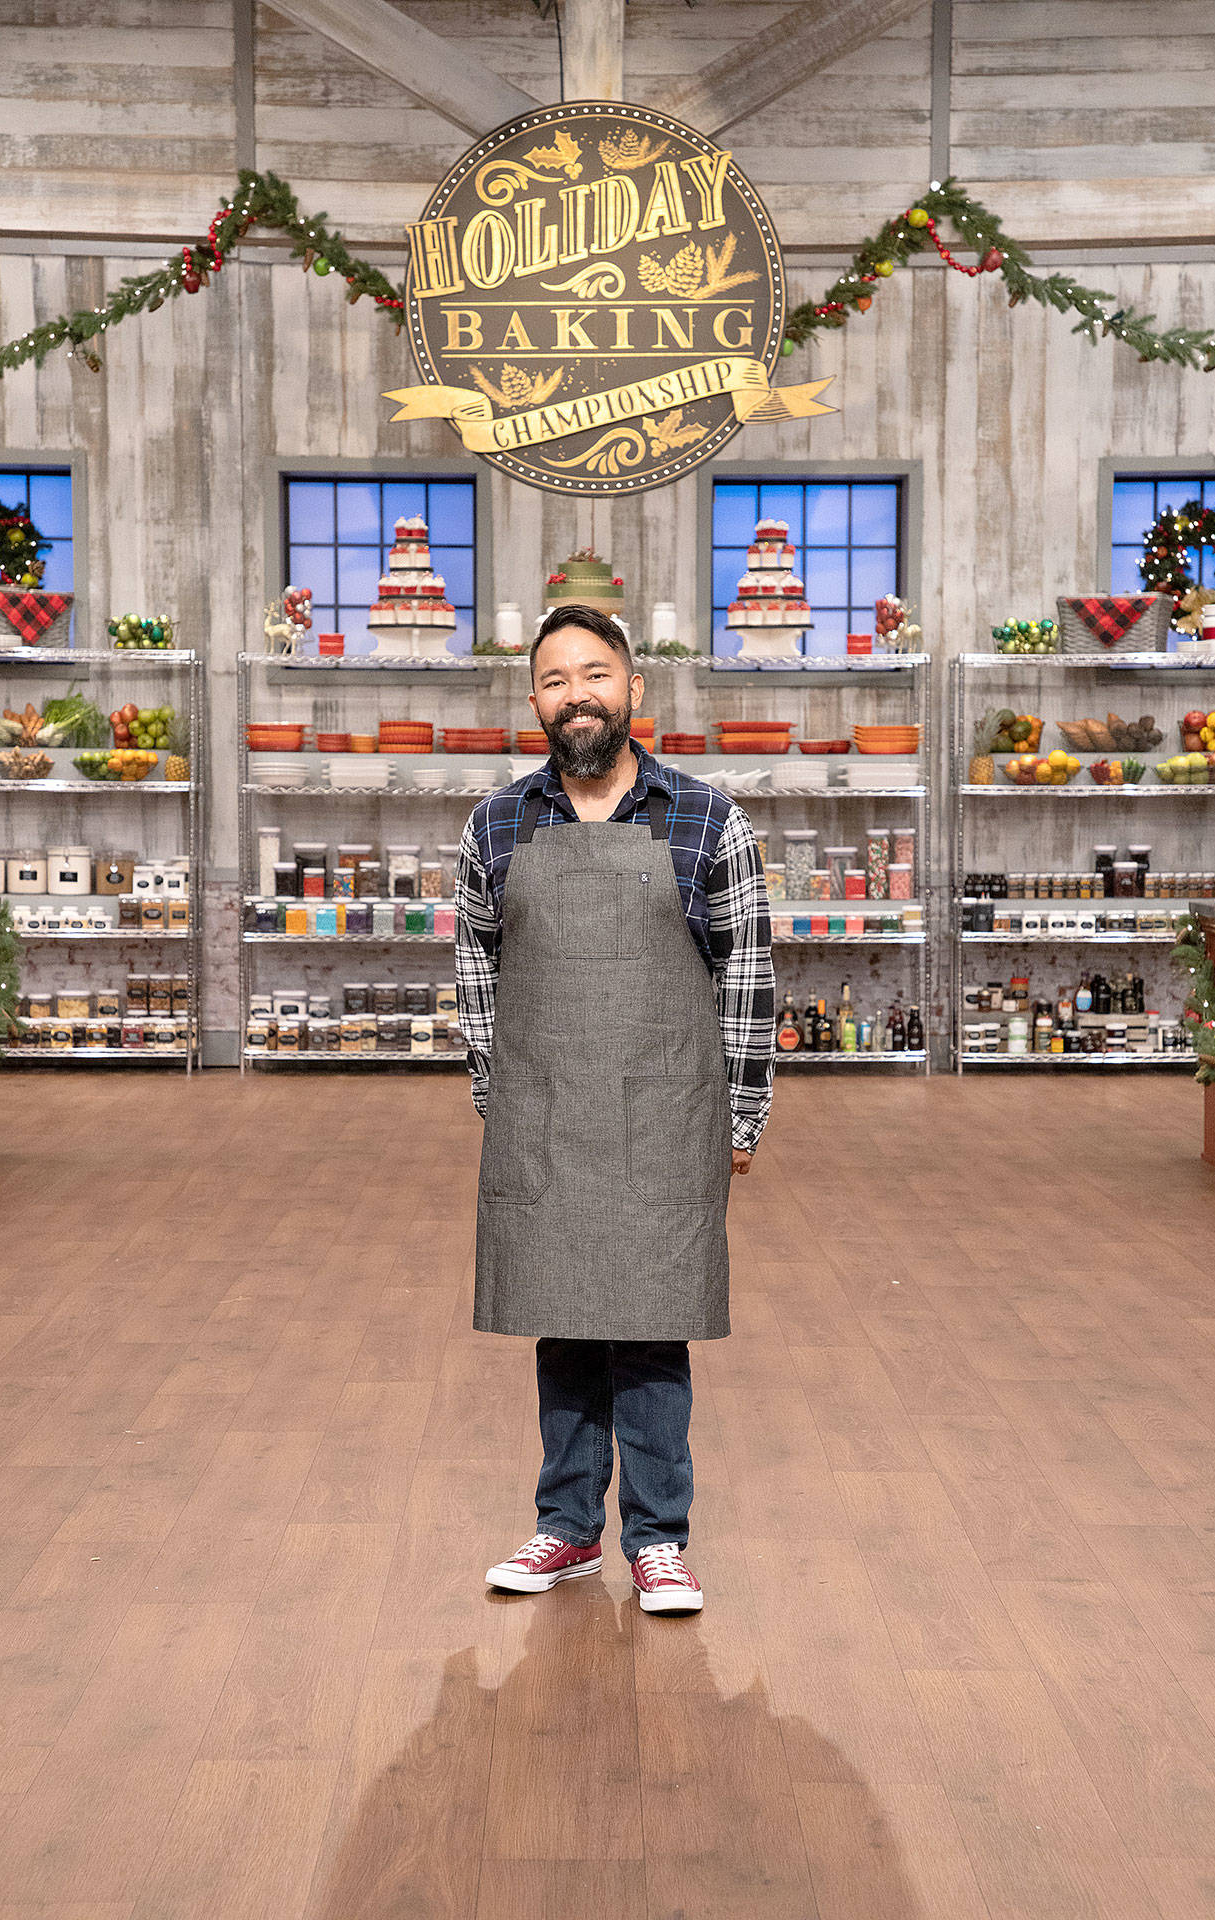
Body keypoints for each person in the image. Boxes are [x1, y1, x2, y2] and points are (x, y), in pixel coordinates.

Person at [454, 604, 775, 1613]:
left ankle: (657, 1538)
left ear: (635, 690)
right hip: (543, 1109)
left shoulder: (704, 818)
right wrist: (491, 1095)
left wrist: (739, 1118)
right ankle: (565, 1529)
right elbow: (475, 969)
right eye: (554, 679)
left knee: (647, 1322)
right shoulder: (498, 824)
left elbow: (747, 976)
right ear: (535, 701)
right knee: (560, 1317)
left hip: (664, 1111)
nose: (575, 693)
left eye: (594, 673)